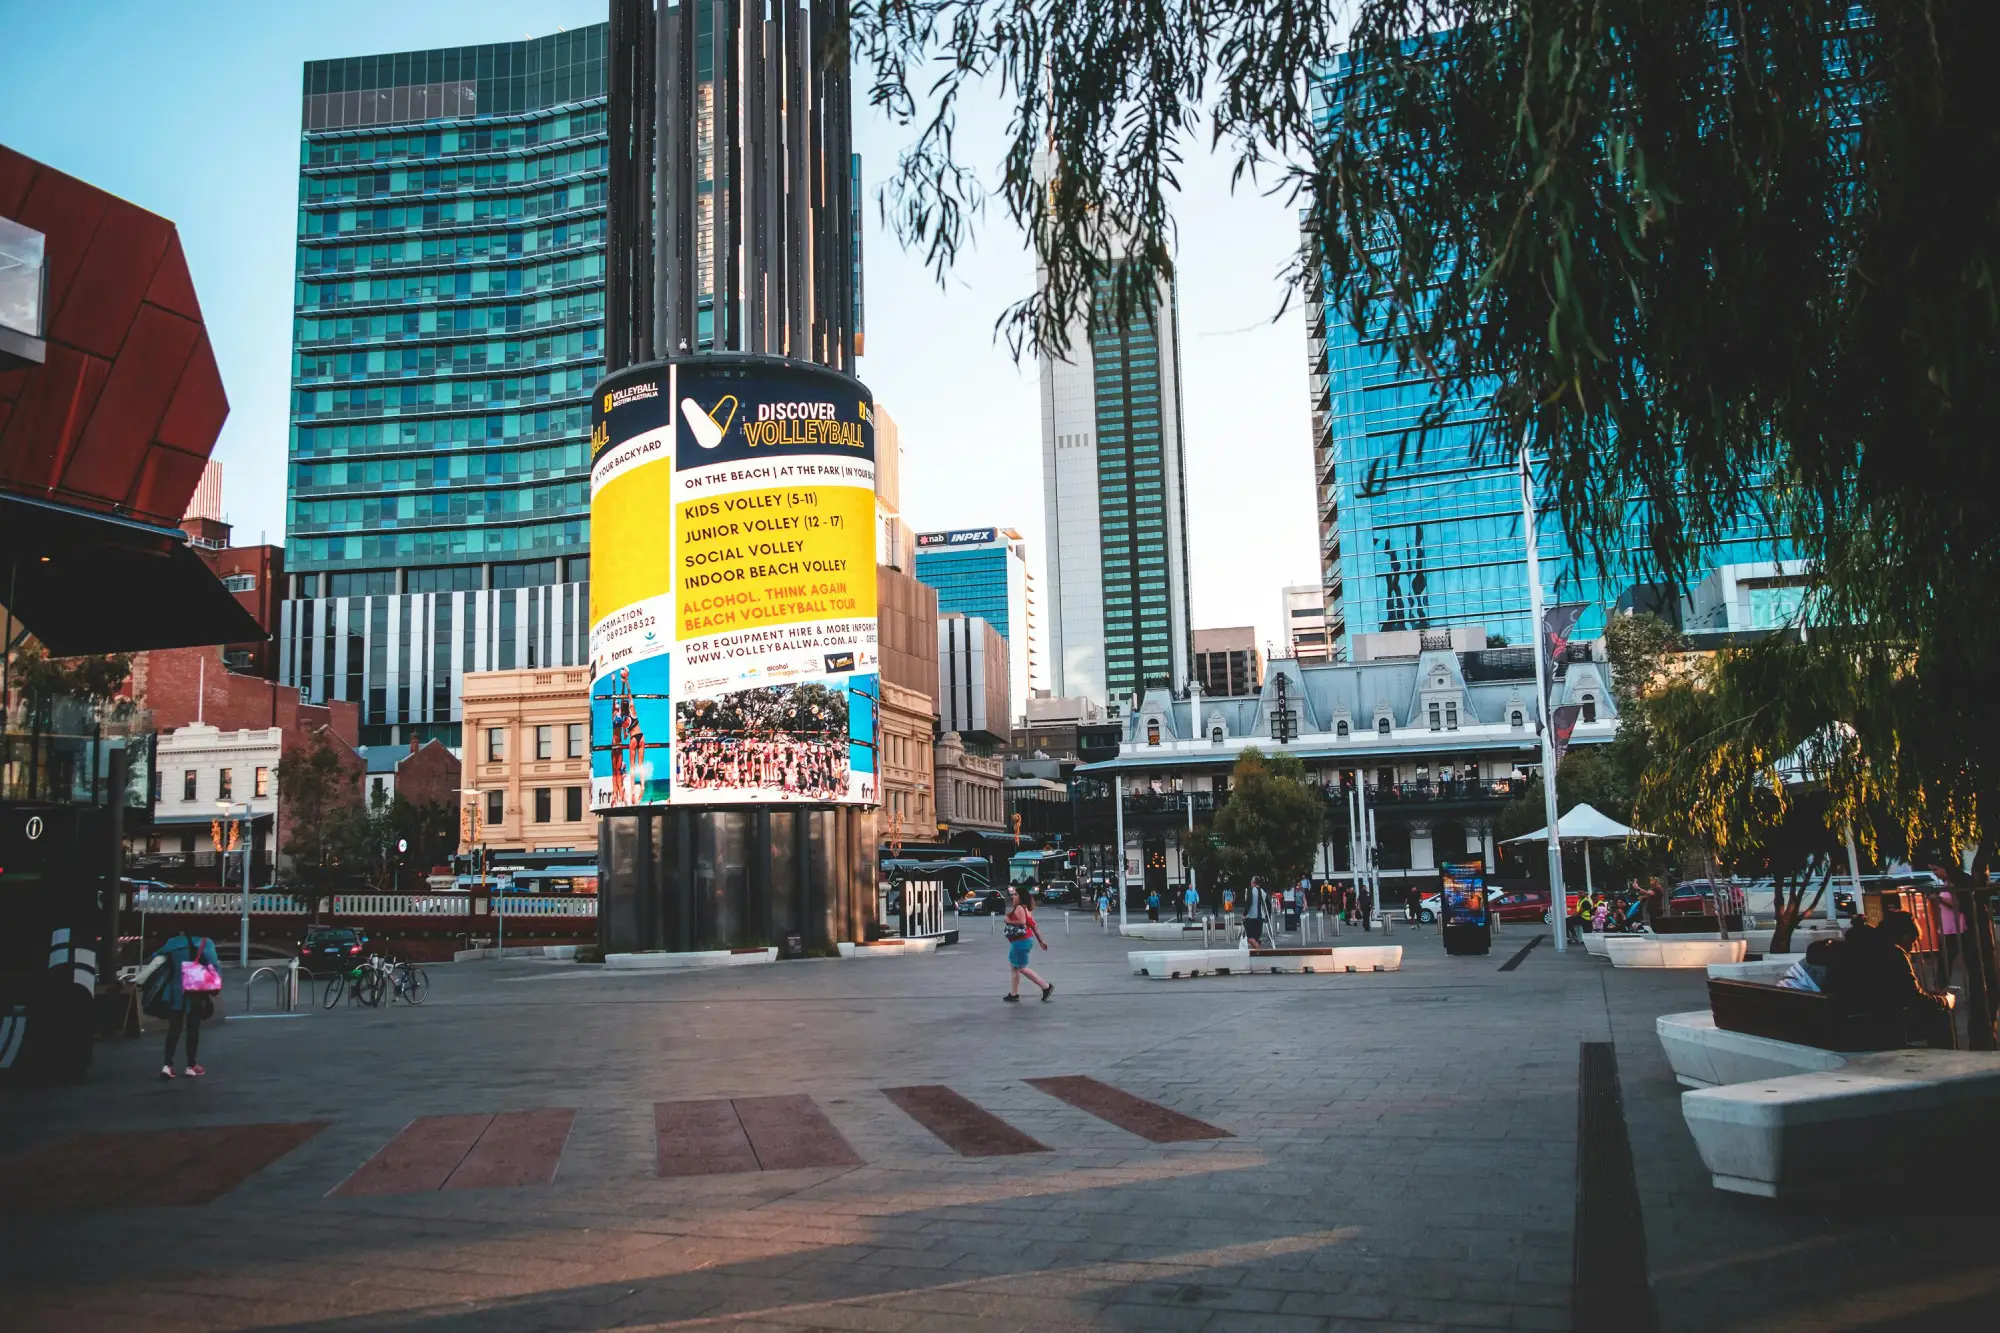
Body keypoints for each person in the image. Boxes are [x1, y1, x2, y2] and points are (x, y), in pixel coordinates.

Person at [1826, 912, 1954, 1048]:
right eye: (1913, 942)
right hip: (1879, 1024)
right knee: (1939, 1016)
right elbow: (1913, 997)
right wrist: (1945, 1001)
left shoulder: (1851, 947)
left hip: (1846, 1022)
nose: (1912, 948)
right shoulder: (1894, 953)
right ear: (1905, 937)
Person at [146, 932, 220, 1080]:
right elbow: (214, 966)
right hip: (194, 991)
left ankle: (167, 1065)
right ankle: (191, 1066)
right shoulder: (205, 943)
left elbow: (155, 957)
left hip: (174, 992)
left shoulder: (172, 943)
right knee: (193, 1028)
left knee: (174, 1028)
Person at [1002, 885, 1053, 1002]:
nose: (1013, 896)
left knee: (1022, 968)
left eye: (1015, 894)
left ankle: (1045, 986)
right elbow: (1034, 927)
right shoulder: (1027, 909)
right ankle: (1014, 994)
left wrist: (1008, 920)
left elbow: (1022, 922)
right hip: (1024, 940)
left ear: (1021, 897)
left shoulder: (1019, 908)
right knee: (1014, 967)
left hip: (1020, 941)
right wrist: (1041, 941)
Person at [1244, 876, 1270, 950]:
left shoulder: (1250, 890)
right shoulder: (1263, 892)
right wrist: (1267, 916)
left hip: (1250, 917)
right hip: (1260, 918)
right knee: (1255, 939)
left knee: (1250, 938)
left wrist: (1244, 914)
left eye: (1251, 881)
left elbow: (1249, 902)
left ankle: (1259, 951)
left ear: (1253, 882)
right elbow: (1269, 904)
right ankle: (1257, 952)